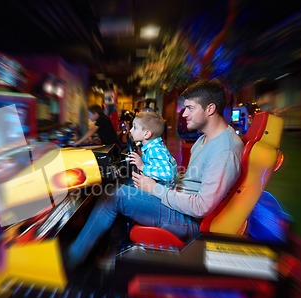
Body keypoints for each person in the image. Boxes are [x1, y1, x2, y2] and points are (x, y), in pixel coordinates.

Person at [66, 79, 244, 270]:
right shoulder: (205, 139)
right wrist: (155, 181)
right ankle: (113, 250)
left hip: (188, 220)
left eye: (190, 108)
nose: (183, 114)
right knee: (122, 182)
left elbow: (201, 207)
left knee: (114, 195)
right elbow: (191, 180)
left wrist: (154, 188)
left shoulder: (224, 151)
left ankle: (71, 260)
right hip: (178, 202)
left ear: (210, 109)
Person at [128, 111, 178, 187]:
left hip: (159, 193)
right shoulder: (154, 146)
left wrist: (142, 166)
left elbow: (167, 174)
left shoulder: (155, 150)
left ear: (147, 134)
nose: (131, 130)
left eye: (134, 127)